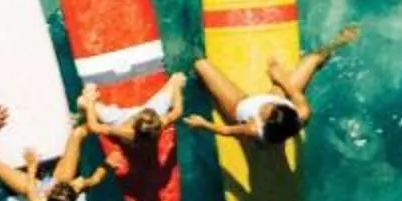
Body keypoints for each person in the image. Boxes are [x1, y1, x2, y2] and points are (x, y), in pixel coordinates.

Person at [187, 24, 359, 147]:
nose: (268, 105)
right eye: (273, 106)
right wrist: (279, 76)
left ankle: (262, 146)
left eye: (267, 111)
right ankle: (340, 41)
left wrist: (203, 124)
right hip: (278, 98)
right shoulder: (301, 112)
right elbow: (293, 92)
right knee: (313, 60)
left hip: (239, 106)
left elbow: (225, 130)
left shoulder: (254, 128)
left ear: (264, 121)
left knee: (201, 65)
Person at [0, 106, 109, 201]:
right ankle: (97, 124)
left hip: (36, 188)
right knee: (77, 134)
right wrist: (108, 164)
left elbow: (30, 189)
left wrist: (32, 166)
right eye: (56, 187)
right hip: (60, 180)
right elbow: (95, 180)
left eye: (52, 191)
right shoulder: (74, 186)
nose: (51, 187)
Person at [76, 72, 186, 142]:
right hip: (149, 119)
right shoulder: (159, 122)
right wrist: (176, 87)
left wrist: (90, 101)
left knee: (82, 101)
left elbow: (95, 127)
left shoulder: (126, 131)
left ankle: (82, 112)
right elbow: (177, 111)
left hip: (121, 119)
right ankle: (171, 94)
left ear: (134, 120)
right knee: (179, 78)